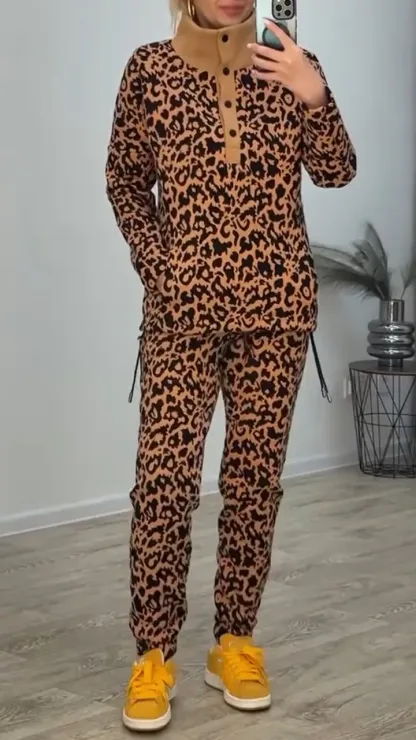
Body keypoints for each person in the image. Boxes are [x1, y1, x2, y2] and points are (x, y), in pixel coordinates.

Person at [106, 0, 356, 732]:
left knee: (253, 485)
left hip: (276, 315)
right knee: (164, 484)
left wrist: (314, 94)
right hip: (182, 317)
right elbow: (125, 182)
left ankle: (235, 642)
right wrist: (163, 269)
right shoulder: (149, 70)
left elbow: (337, 172)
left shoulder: (291, 65)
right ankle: (153, 654)